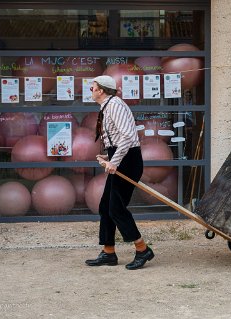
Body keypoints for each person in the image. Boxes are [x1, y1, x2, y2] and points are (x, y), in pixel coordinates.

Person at [85, 75, 154, 270]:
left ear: (102, 90)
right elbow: (119, 138)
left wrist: (115, 161)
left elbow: (129, 136)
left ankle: (142, 249)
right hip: (122, 158)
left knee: (116, 207)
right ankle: (108, 252)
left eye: (92, 88)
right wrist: (110, 157)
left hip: (128, 162)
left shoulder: (115, 104)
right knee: (106, 206)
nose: (91, 91)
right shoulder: (107, 106)